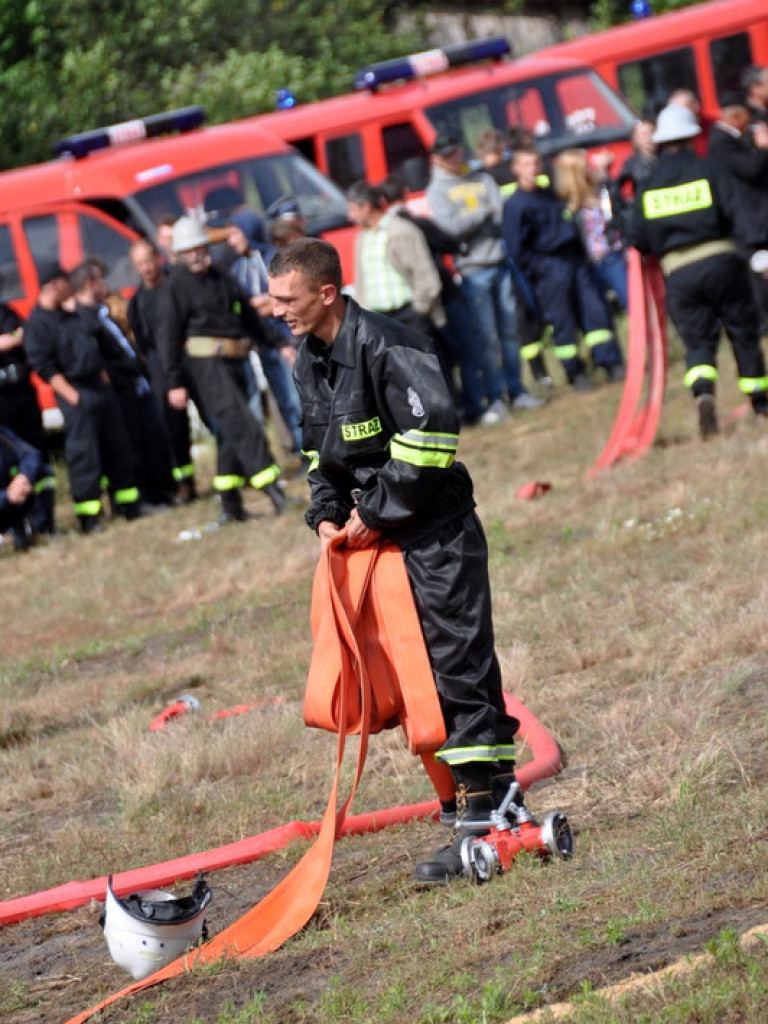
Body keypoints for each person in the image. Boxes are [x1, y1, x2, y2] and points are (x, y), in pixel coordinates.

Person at [268, 237, 532, 884]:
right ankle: (468, 809)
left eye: (287, 298)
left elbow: (434, 436)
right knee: (413, 682)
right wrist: (328, 508)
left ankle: (485, 817)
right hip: (379, 543)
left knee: (457, 667)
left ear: (327, 293)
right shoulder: (310, 359)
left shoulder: (391, 345)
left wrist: (376, 507)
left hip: (436, 535)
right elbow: (318, 450)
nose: (276, 310)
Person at [630, 103, 768, 438]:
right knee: (742, 332)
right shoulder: (710, 170)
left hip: (679, 275)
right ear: (692, 136)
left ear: (663, 142)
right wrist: (757, 250)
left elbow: (637, 237)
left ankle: (703, 391)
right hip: (723, 264)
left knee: (697, 341)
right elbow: (738, 212)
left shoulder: (649, 184)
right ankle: (760, 404)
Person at [158, 215, 286, 521]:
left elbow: (248, 318)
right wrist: (174, 381)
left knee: (230, 432)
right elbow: (168, 338)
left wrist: (278, 343)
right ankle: (274, 492)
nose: (195, 254)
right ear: (178, 253)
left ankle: (230, 506)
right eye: (188, 250)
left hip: (236, 361)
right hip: (207, 366)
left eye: (199, 247)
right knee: (243, 424)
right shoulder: (175, 286)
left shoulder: (221, 276)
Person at [426, 133, 543, 424]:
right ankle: (494, 397)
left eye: (458, 150)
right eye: (450, 154)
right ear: (438, 159)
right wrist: (482, 215)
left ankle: (516, 390)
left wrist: (476, 220)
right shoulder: (437, 190)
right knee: (488, 337)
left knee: (510, 331)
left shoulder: (482, 178)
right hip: (474, 270)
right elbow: (451, 228)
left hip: (501, 263)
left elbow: (501, 213)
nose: (458, 157)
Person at [24, 260, 141, 533]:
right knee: (84, 456)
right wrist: (72, 395)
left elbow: (97, 338)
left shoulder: (72, 314)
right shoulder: (38, 323)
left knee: (118, 449)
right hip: (76, 394)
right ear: (54, 285)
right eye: (66, 281)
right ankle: (90, 516)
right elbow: (44, 366)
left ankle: (127, 505)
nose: (71, 285)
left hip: (101, 389)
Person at [503, 147, 625, 390]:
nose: (532, 169)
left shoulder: (550, 194)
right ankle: (575, 373)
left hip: (574, 260)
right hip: (548, 266)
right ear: (516, 169)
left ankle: (609, 362)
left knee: (595, 310)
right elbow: (517, 249)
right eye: (526, 164)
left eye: (535, 163)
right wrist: (539, 270)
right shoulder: (515, 204)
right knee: (563, 321)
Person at [70, 258, 176, 509]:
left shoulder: (103, 312)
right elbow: (102, 359)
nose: (104, 285)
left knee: (153, 440)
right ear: (90, 283)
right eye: (99, 280)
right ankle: (144, 498)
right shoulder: (82, 319)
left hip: (138, 385)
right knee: (132, 447)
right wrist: (126, 371)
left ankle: (163, 492)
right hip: (120, 390)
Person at [226, 208, 305, 462]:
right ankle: (300, 449)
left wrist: (267, 303)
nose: (231, 241)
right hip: (264, 346)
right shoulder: (237, 269)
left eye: (235, 234)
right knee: (284, 401)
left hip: (287, 343)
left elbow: (285, 297)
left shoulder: (272, 259)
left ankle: (311, 452)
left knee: (297, 399)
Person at [128, 238, 201, 504]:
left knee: (213, 415)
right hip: (161, 367)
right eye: (140, 264)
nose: (146, 268)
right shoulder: (136, 302)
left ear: (157, 259)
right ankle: (186, 483)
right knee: (173, 429)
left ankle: (238, 469)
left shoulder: (175, 286)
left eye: (148, 261)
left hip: (190, 358)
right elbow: (141, 341)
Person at [346, 180, 445, 337]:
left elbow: (425, 274)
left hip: (409, 316)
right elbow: (362, 282)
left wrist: (419, 309)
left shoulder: (401, 230)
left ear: (366, 206)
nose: (350, 216)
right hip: (379, 320)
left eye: (352, 209)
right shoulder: (362, 238)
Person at [707, 92, 768, 328]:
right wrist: (762, 148)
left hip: (758, 215)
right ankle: (762, 321)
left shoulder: (736, 139)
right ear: (735, 116)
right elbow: (750, 169)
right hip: (748, 219)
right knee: (757, 273)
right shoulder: (721, 142)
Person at [555, 149, 628, 311]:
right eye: (585, 166)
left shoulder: (600, 188)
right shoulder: (565, 205)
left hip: (612, 255)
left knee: (631, 301)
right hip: (589, 263)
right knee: (598, 311)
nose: (589, 168)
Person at [0, 424, 55, 549]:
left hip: (12, 499)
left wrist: (24, 476)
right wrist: (6, 496)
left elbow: (31, 454)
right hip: (5, 498)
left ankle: (41, 528)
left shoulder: (3, 435)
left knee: (43, 473)